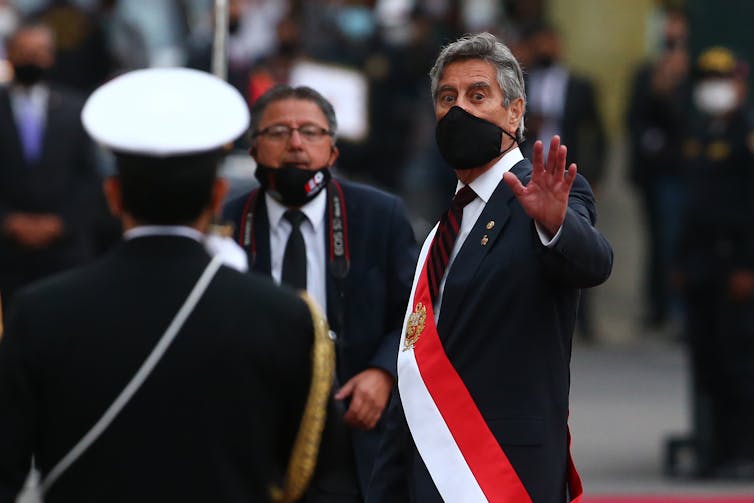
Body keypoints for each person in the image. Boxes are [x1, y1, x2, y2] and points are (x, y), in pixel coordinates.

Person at [0, 67, 333, 502]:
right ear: (217, 197)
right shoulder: (283, 316)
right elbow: (311, 476)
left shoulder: (37, 312)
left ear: (114, 195)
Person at [367, 32, 613, 502]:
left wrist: (556, 223)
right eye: (447, 97)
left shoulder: (546, 193)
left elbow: (594, 262)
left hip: (502, 470)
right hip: (426, 472)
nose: (460, 109)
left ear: (515, 112)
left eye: (478, 95)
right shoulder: (442, 229)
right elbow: (416, 369)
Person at [223, 84, 418, 502]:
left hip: (349, 424)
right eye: (278, 132)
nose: (295, 144)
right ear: (253, 149)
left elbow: (417, 311)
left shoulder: (378, 216)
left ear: (333, 151)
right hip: (253, 426)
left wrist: (383, 372)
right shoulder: (226, 223)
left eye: (310, 132)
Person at [674, 46, 754, 477]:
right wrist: (680, 261)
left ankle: (742, 451)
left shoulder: (746, 135)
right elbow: (692, 207)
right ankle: (714, 450)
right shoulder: (700, 133)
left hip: (735, 265)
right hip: (702, 264)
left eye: (724, 82)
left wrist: (748, 265)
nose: (716, 91)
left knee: (738, 361)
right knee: (707, 359)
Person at [0, 20, 100, 317]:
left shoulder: (74, 107)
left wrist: (60, 222)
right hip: (9, 251)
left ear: (51, 56)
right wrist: (9, 221)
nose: (32, 58)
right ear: (10, 54)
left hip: (65, 249)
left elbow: (88, 176)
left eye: (39, 51)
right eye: (24, 51)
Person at [523, 21, 607, 341]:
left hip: (567, 176)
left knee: (575, 239)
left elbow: (597, 132)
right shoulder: (523, 83)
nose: (546, 49)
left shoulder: (579, 85)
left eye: (551, 42)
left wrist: (595, 174)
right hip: (528, 173)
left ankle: (583, 319)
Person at [625, 7, 690, 330]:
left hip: (685, 172)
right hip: (655, 173)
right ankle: (659, 307)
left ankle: (677, 309)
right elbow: (635, 122)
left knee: (676, 238)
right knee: (659, 239)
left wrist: (674, 90)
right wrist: (659, 90)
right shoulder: (648, 74)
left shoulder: (691, 75)